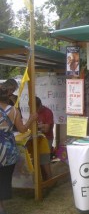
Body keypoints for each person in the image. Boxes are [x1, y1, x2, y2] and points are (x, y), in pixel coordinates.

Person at [0, 84, 37, 214]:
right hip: (8, 149)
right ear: (8, 97)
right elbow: (22, 129)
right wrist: (31, 119)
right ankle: (1, 207)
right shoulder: (14, 111)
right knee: (4, 176)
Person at [35, 96, 54, 181]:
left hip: (47, 139)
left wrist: (39, 127)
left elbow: (47, 129)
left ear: (39, 106)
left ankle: (50, 181)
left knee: (45, 161)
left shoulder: (47, 112)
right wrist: (41, 126)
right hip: (38, 139)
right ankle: (45, 181)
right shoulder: (34, 112)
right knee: (40, 162)